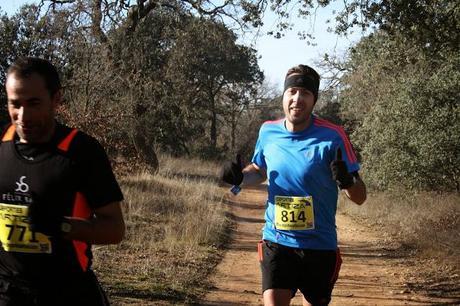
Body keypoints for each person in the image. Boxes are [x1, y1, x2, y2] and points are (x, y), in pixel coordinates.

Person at [221, 64, 367, 306]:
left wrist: (347, 180)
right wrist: (240, 177)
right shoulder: (268, 131)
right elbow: (259, 170)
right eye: (292, 91)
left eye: (305, 93)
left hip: (319, 245)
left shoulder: (333, 136)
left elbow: (360, 197)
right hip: (277, 240)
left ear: (314, 100)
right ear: (284, 96)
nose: (297, 99)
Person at [0, 57, 125, 305]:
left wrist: (61, 226)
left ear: (56, 99)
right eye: (15, 104)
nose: (22, 115)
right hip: (8, 292)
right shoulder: (0, 143)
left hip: (66, 292)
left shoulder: (82, 151)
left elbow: (115, 229)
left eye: (34, 103)